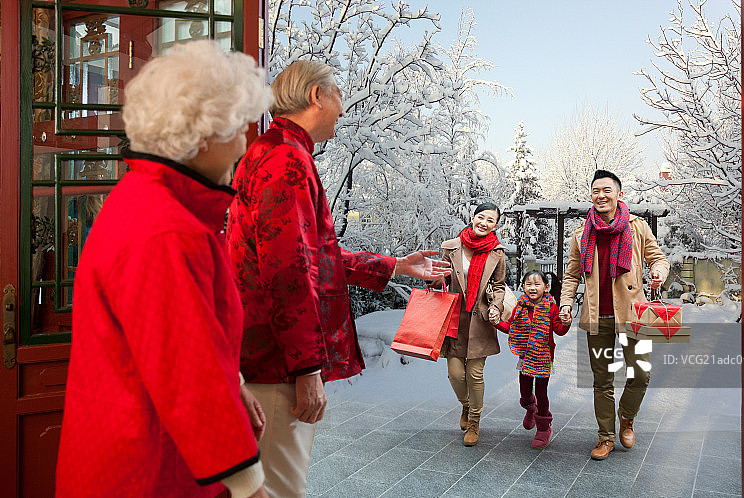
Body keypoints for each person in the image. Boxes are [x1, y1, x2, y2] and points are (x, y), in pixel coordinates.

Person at [55, 41, 273, 498]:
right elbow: (187, 374)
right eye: (236, 126)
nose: (244, 141)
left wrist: (233, 386)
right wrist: (249, 485)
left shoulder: (146, 201)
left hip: (127, 448)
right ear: (199, 137)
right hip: (150, 469)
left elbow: (179, 337)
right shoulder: (167, 230)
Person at [225, 60, 451, 498]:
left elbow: (313, 254)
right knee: (275, 490)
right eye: (339, 96)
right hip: (276, 365)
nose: (344, 110)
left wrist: (396, 266)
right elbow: (287, 270)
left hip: (267, 357)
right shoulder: (286, 160)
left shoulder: (276, 153)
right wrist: (306, 367)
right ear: (316, 97)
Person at [558, 169, 669, 461]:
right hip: (597, 316)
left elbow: (658, 257)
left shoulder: (637, 227)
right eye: (596, 191)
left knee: (641, 375)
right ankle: (605, 436)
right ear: (591, 196)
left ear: (619, 195)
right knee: (602, 381)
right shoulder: (581, 234)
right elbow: (571, 276)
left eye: (607, 190)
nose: (601, 196)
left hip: (634, 314)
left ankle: (627, 416)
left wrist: (658, 271)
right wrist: (566, 304)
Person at [434, 202, 507, 447]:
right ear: (473, 217)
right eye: (481, 217)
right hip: (455, 318)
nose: (484, 223)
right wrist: (432, 277)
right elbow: (441, 278)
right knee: (454, 373)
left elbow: (499, 286)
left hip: (480, 319)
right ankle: (466, 404)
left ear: (495, 226)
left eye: (490, 220)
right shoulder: (451, 247)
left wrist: (496, 306)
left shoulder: (496, 252)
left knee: (475, 374)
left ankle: (474, 420)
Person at [491, 270, 571, 449]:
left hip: (543, 356)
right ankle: (530, 408)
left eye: (537, 284)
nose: (532, 288)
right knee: (525, 392)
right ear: (523, 287)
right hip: (525, 356)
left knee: (542, 392)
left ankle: (544, 428)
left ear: (546, 287)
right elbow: (511, 327)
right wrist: (496, 322)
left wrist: (565, 323)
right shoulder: (520, 306)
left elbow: (559, 329)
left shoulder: (551, 306)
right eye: (528, 284)